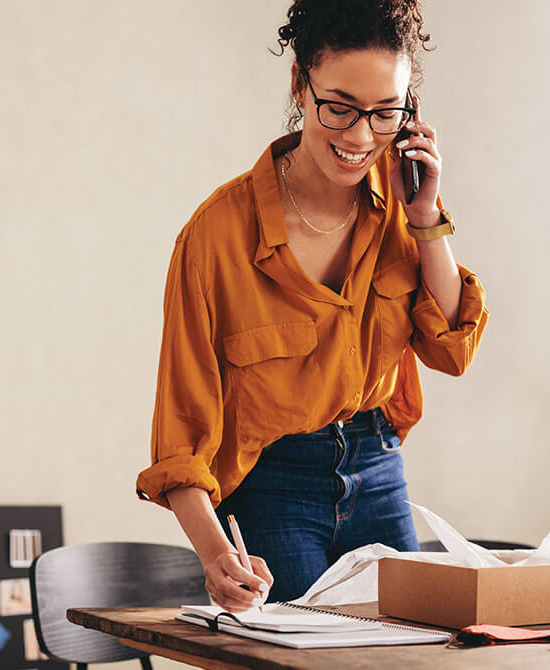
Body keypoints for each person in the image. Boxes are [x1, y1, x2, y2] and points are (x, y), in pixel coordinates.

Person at [135, 0, 488, 611]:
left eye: (385, 113)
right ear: (299, 83)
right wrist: (216, 554)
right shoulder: (216, 238)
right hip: (274, 483)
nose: (359, 137)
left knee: (410, 653)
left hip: (377, 468)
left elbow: (451, 350)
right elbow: (181, 433)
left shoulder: (401, 207)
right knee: (310, 658)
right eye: (340, 107)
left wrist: (427, 217)